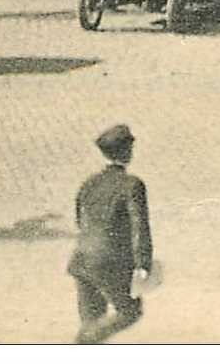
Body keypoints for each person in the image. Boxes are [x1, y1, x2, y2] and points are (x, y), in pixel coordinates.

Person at [68, 124, 153, 344]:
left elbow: (79, 219)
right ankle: (83, 341)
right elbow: (139, 227)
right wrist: (143, 264)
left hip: (80, 260)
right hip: (108, 262)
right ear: (128, 151)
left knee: (92, 318)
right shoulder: (132, 185)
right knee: (130, 311)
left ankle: (87, 339)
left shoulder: (89, 183)